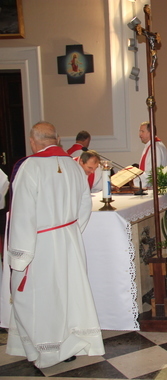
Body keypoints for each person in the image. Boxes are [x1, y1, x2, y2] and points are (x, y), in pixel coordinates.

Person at [5, 122, 104, 368]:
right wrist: (69, 231)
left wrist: (19, 254)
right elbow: (84, 206)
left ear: (32, 140)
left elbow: (22, 213)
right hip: (69, 240)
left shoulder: (30, 167)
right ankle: (68, 343)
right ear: (58, 139)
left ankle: (49, 351)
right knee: (67, 295)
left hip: (41, 244)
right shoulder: (74, 166)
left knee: (41, 298)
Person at [138, 121, 167, 188]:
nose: (140, 135)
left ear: (150, 132)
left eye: (142, 131)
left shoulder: (155, 148)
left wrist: (134, 181)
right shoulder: (152, 145)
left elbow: (152, 172)